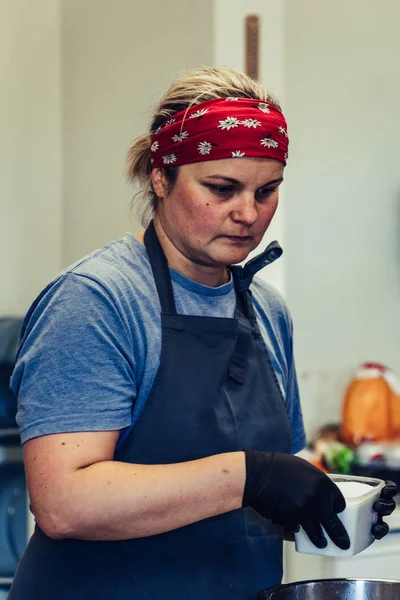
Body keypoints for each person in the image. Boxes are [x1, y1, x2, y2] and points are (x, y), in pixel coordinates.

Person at [8, 67, 396, 599]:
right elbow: (64, 503)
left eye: (267, 190)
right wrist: (251, 475)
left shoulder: (266, 310)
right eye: (221, 188)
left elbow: (235, 505)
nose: (247, 214)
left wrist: (313, 508)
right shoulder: (98, 301)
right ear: (160, 177)